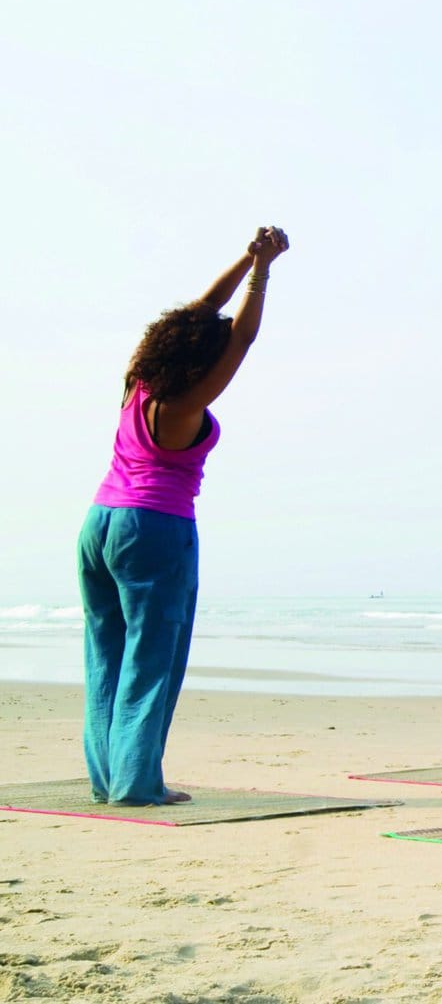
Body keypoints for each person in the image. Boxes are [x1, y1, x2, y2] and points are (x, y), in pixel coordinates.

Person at [77, 226, 291, 805]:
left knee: (106, 652)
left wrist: (249, 258)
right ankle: (138, 784)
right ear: (200, 359)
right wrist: (264, 273)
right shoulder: (183, 405)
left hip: (99, 524)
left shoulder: (137, 382)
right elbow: (241, 337)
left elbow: (201, 311)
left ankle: (109, 778)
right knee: (152, 657)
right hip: (154, 527)